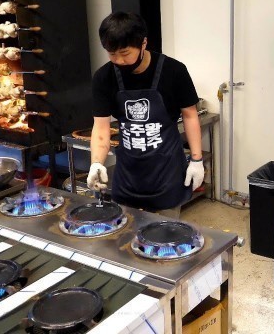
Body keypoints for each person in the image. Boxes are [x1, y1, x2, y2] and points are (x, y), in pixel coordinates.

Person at [86, 11, 204, 219]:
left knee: (166, 236)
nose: (119, 61)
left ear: (143, 43)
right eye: (112, 54)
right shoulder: (104, 77)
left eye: (125, 53)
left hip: (167, 170)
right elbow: (102, 127)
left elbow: (190, 115)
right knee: (124, 233)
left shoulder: (174, 71)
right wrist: (96, 162)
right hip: (129, 172)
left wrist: (197, 159)